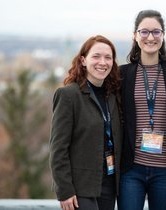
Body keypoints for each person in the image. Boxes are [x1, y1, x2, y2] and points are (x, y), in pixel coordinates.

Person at [117, 9, 166, 210]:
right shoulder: (123, 74)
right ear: (135, 36)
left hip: (165, 170)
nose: (150, 37)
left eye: (156, 32)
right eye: (144, 32)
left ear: (163, 36)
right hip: (131, 169)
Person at [49, 35, 122, 210]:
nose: (102, 62)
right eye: (96, 56)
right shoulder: (68, 95)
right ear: (83, 60)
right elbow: (58, 148)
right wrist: (64, 190)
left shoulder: (112, 95)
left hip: (109, 183)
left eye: (108, 57)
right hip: (80, 187)